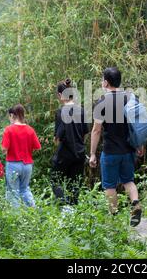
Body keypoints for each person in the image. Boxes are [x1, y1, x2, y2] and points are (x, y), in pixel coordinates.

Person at [89, 67, 144, 227]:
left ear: (105, 82)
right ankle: (135, 203)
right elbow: (138, 125)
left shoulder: (101, 103)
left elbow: (96, 130)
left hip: (110, 151)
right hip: (128, 150)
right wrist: (140, 144)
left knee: (110, 185)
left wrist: (92, 154)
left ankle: (114, 219)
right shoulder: (131, 99)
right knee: (129, 181)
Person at [52, 78, 89, 206]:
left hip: (64, 154)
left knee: (55, 181)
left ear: (61, 95)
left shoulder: (60, 112)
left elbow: (57, 138)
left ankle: (63, 207)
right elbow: (85, 133)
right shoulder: (82, 111)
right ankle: (73, 210)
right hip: (79, 154)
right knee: (75, 184)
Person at [2, 104, 42, 208]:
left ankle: (16, 218)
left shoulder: (9, 130)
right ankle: (33, 210)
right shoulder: (30, 130)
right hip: (27, 165)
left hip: (13, 164)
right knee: (24, 189)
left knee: (13, 192)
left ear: (12, 115)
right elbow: (38, 147)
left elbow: (4, 149)